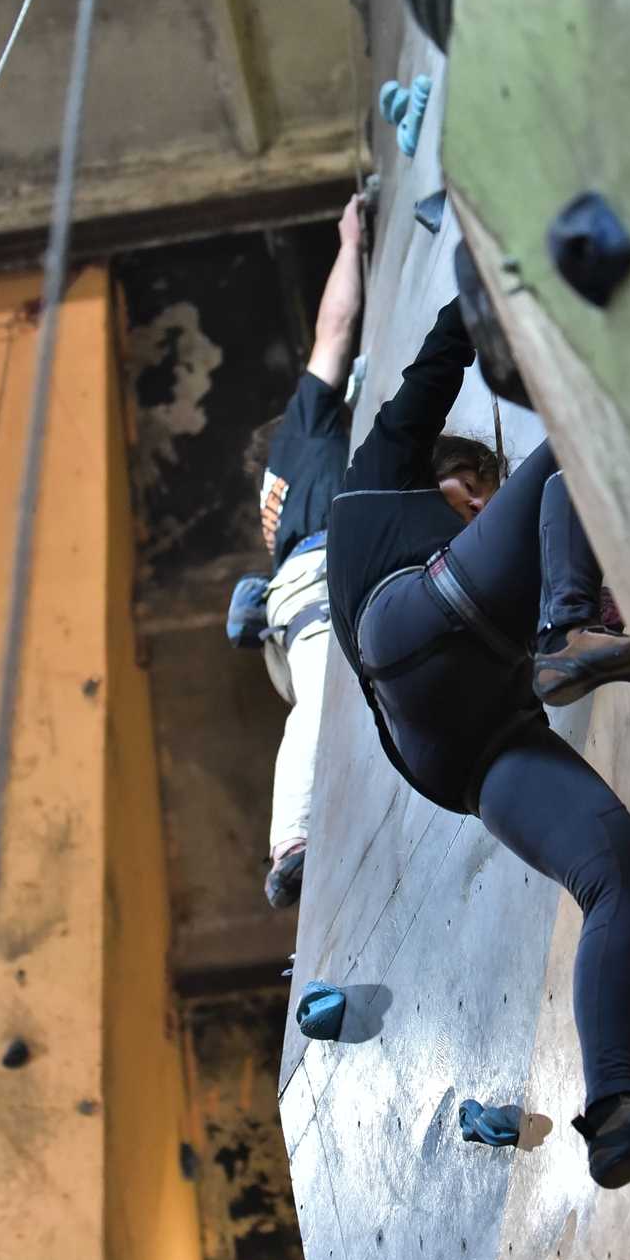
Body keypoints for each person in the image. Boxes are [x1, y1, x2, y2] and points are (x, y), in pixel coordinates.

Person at [326, 259, 630, 1187]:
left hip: (466, 751)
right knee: (571, 448)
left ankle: (615, 1113)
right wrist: (485, 273)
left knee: (621, 875)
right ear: (445, 480)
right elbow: (431, 373)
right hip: (414, 636)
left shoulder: (481, 565)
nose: (480, 503)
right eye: (473, 490)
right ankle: (566, 629)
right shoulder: (374, 491)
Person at [228, 193, 364, 909]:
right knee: (318, 704)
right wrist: (349, 243)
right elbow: (333, 330)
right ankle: (292, 840)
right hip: (316, 584)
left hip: (302, 596)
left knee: (327, 697)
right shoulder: (306, 429)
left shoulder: (281, 495)